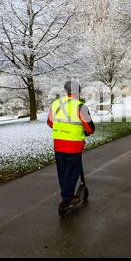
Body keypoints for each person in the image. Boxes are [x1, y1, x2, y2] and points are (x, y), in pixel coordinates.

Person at [47, 81, 95, 210]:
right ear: (78, 92)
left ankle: (65, 195)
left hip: (58, 144)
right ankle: (66, 198)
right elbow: (90, 128)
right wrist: (85, 132)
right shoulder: (80, 107)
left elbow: (50, 122)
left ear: (65, 90)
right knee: (72, 172)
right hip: (73, 146)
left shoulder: (55, 104)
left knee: (62, 172)